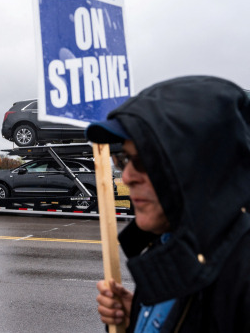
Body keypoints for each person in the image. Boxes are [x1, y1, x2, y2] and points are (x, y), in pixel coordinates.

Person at [85, 75, 250, 332]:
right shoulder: (167, 244)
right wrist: (137, 320)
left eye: (145, 160)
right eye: (123, 159)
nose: (126, 176)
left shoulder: (242, 278)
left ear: (199, 165)